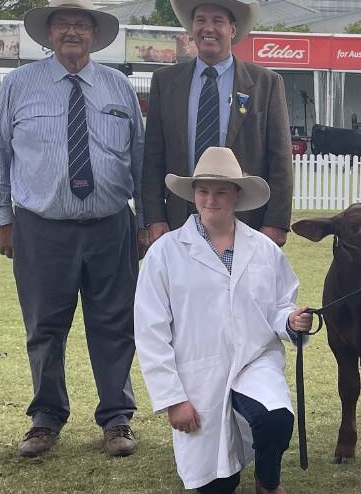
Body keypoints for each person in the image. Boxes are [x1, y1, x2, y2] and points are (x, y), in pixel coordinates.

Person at [0, 0, 143, 458]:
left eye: (81, 23)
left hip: (111, 226)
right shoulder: (18, 84)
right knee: (44, 326)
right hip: (40, 227)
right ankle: (45, 418)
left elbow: (138, 157)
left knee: (115, 324)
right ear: (49, 33)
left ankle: (117, 419)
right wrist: (1, 220)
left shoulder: (119, 87)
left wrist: (146, 222)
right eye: (62, 23)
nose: (72, 30)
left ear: (95, 34)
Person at [135, 146, 313, 494]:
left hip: (253, 361)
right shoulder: (165, 254)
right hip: (199, 375)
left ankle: (268, 483)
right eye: (203, 190)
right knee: (218, 483)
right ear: (193, 195)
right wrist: (173, 399)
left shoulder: (264, 250)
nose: (211, 199)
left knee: (276, 417)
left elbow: (278, 305)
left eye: (221, 191)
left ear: (237, 195)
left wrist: (290, 321)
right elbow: (150, 331)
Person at [142, 0, 293, 250]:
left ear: (232, 29)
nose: (208, 28)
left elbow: (280, 159)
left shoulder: (265, 83)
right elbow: (153, 157)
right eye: (200, 20)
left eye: (218, 20)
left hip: (246, 220)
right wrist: (154, 217)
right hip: (180, 220)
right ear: (192, 28)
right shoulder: (165, 82)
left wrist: (276, 222)